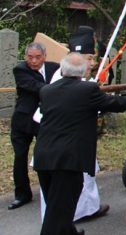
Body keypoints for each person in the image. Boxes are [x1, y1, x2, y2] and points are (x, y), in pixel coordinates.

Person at [34, 53, 126, 235]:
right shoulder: (87, 89)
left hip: (44, 156)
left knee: (57, 206)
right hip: (68, 159)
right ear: (84, 71)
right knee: (58, 212)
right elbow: (113, 102)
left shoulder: (47, 91)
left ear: (62, 69)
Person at [37, 26, 110, 223]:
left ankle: (85, 211)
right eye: (90, 58)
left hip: (71, 143)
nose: (93, 63)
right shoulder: (62, 80)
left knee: (83, 182)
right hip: (64, 147)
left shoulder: (74, 77)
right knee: (63, 195)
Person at [9, 43, 59, 210]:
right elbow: (37, 87)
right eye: (30, 57)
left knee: (45, 155)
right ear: (25, 57)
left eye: (38, 57)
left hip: (44, 120)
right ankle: (22, 194)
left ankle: (50, 190)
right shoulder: (20, 70)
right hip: (23, 121)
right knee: (20, 156)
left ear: (44, 56)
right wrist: (58, 89)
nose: (34, 61)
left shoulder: (55, 68)